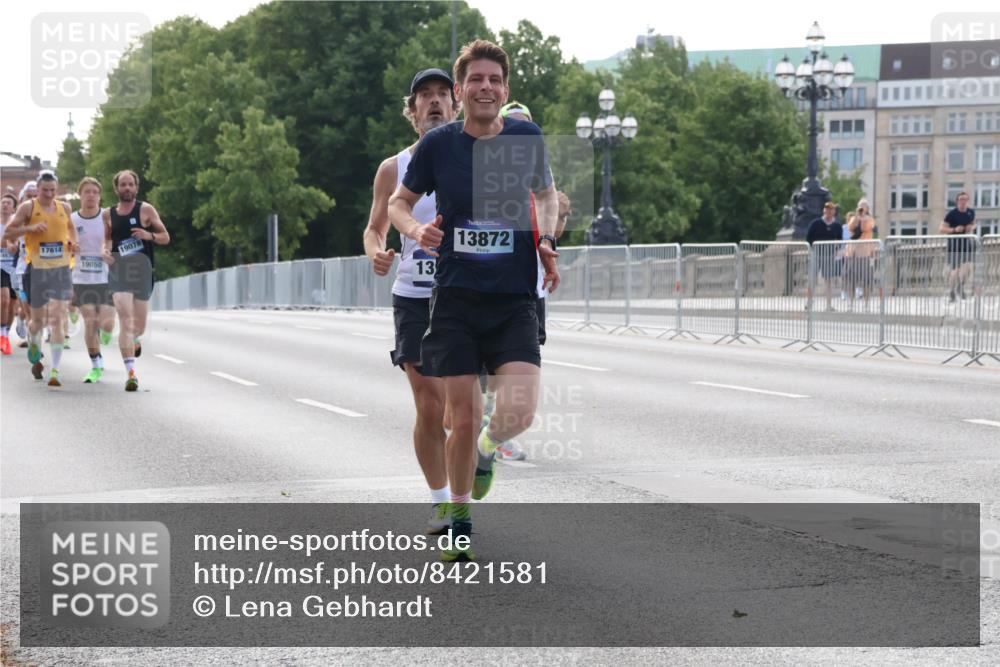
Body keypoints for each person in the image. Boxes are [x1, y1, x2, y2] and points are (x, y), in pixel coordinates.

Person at [389, 39, 560, 561]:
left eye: (494, 80)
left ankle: (489, 451)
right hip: (457, 299)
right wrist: (417, 229)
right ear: (461, 93)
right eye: (475, 80)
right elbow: (398, 202)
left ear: (504, 90)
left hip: (512, 299)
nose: (485, 87)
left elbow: (547, 194)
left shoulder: (526, 137)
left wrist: (547, 242)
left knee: (520, 411)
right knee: (460, 415)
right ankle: (459, 516)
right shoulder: (438, 146)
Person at [364, 67, 460, 534]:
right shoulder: (393, 168)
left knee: (462, 411)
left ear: (456, 104)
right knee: (430, 406)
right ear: (413, 110)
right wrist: (376, 254)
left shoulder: (479, 157)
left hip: (467, 294)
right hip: (415, 296)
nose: (435, 101)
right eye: (426, 95)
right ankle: (442, 503)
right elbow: (375, 227)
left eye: (443, 93)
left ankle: (479, 452)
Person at [1, 171, 78, 386]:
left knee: (58, 319)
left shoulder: (65, 207)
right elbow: (8, 233)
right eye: (45, 190)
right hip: (35, 268)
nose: (49, 194)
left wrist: (73, 242)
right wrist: (30, 228)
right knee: (39, 321)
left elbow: (71, 229)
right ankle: (34, 341)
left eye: (53, 190)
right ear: (38, 189)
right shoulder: (28, 208)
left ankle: (55, 370)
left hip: (60, 269)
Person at [103, 169, 170, 392]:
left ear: (136, 187)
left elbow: (165, 237)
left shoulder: (146, 210)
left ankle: (136, 339)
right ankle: (131, 373)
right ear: (116, 188)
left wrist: (148, 235)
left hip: (142, 272)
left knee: (138, 326)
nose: (127, 188)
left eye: (131, 184)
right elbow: (107, 242)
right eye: (123, 184)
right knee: (125, 317)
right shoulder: (107, 215)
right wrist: (105, 252)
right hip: (119, 272)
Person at [72, 177, 116, 382]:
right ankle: (95, 365)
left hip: (106, 277)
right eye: (86, 191)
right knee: (90, 320)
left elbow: (117, 240)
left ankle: (105, 332)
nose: (91, 195)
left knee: (106, 323)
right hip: (81, 278)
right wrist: (69, 247)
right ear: (80, 195)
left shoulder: (107, 217)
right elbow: (64, 244)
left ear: (100, 196)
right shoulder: (72, 220)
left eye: (94, 192)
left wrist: (111, 253)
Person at [805, 202, 843, 311]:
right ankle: (809, 302)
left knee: (828, 280)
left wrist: (836, 249)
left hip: (829, 254)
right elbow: (808, 238)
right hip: (816, 253)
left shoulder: (837, 225)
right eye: (827, 209)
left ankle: (828, 304)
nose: (829, 211)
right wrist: (812, 248)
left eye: (831, 209)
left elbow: (839, 239)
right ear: (824, 210)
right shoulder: (816, 223)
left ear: (834, 212)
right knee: (812, 278)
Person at [940, 192, 976, 303]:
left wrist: (971, 227)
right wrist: (954, 230)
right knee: (955, 270)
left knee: (968, 268)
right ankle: (951, 292)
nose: (963, 201)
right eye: (961, 199)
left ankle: (960, 287)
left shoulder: (971, 212)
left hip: (966, 244)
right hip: (954, 245)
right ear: (957, 201)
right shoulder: (951, 214)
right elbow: (941, 229)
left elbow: (974, 223)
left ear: (967, 201)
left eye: (965, 199)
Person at [844, 198, 877, 309]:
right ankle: (850, 303)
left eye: (863, 207)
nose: (861, 208)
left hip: (865, 254)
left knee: (866, 281)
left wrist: (862, 218)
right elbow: (850, 227)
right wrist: (857, 217)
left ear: (867, 208)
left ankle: (866, 304)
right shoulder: (854, 218)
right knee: (850, 280)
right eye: (859, 206)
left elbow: (864, 228)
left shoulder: (870, 219)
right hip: (851, 254)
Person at [0, 192, 18, 354]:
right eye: (3, 202)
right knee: (4, 300)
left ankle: (5, 333)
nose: (5, 205)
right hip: (0, 267)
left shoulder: (17, 224)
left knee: (12, 305)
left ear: (13, 208)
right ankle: (3, 337)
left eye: (8, 203)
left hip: (14, 267)